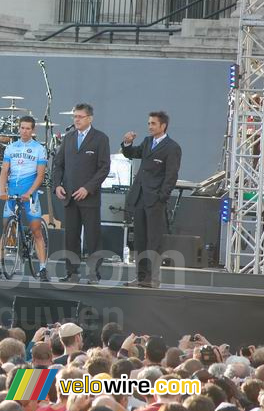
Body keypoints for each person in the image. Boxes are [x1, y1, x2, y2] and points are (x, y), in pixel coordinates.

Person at [121, 111, 182, 288]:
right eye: (149, 123)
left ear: (163, 126)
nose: (149, 126)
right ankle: (140, 277)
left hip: (155, 199)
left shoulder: (172, 147)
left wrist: (161, 196)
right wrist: (127, 143)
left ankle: (153, 278)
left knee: (153, 240)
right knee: (139, 239)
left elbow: (171, 175)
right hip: (140, 197)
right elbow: (132, 153)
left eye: (153, 123)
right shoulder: (148, 142)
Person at [51, 103, 111, 283]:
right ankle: (72, 272)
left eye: (80, 116)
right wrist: (57, 185)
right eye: (74, 116)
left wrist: (88, 188)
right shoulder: (69, 138)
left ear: (89, 118)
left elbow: (104, 168)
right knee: (71, 237)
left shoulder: (100, 138)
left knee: (92, 237)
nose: (76, 119)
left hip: (89, 197)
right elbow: (58, 164)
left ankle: (94, 272)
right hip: (69, 196)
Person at [0, 116, 49, 281]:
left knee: (36, 231)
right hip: (12, 193)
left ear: (33, 131)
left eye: (27, 128)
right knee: (6, 230)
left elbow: (40, 175)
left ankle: (43, 267)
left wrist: (30, 193)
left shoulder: (39, 149)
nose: (24, 131)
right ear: (19, 128)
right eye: (22, 128)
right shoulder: (11, 147)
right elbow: (4, 172)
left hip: (29, 195)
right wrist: (2, 190)